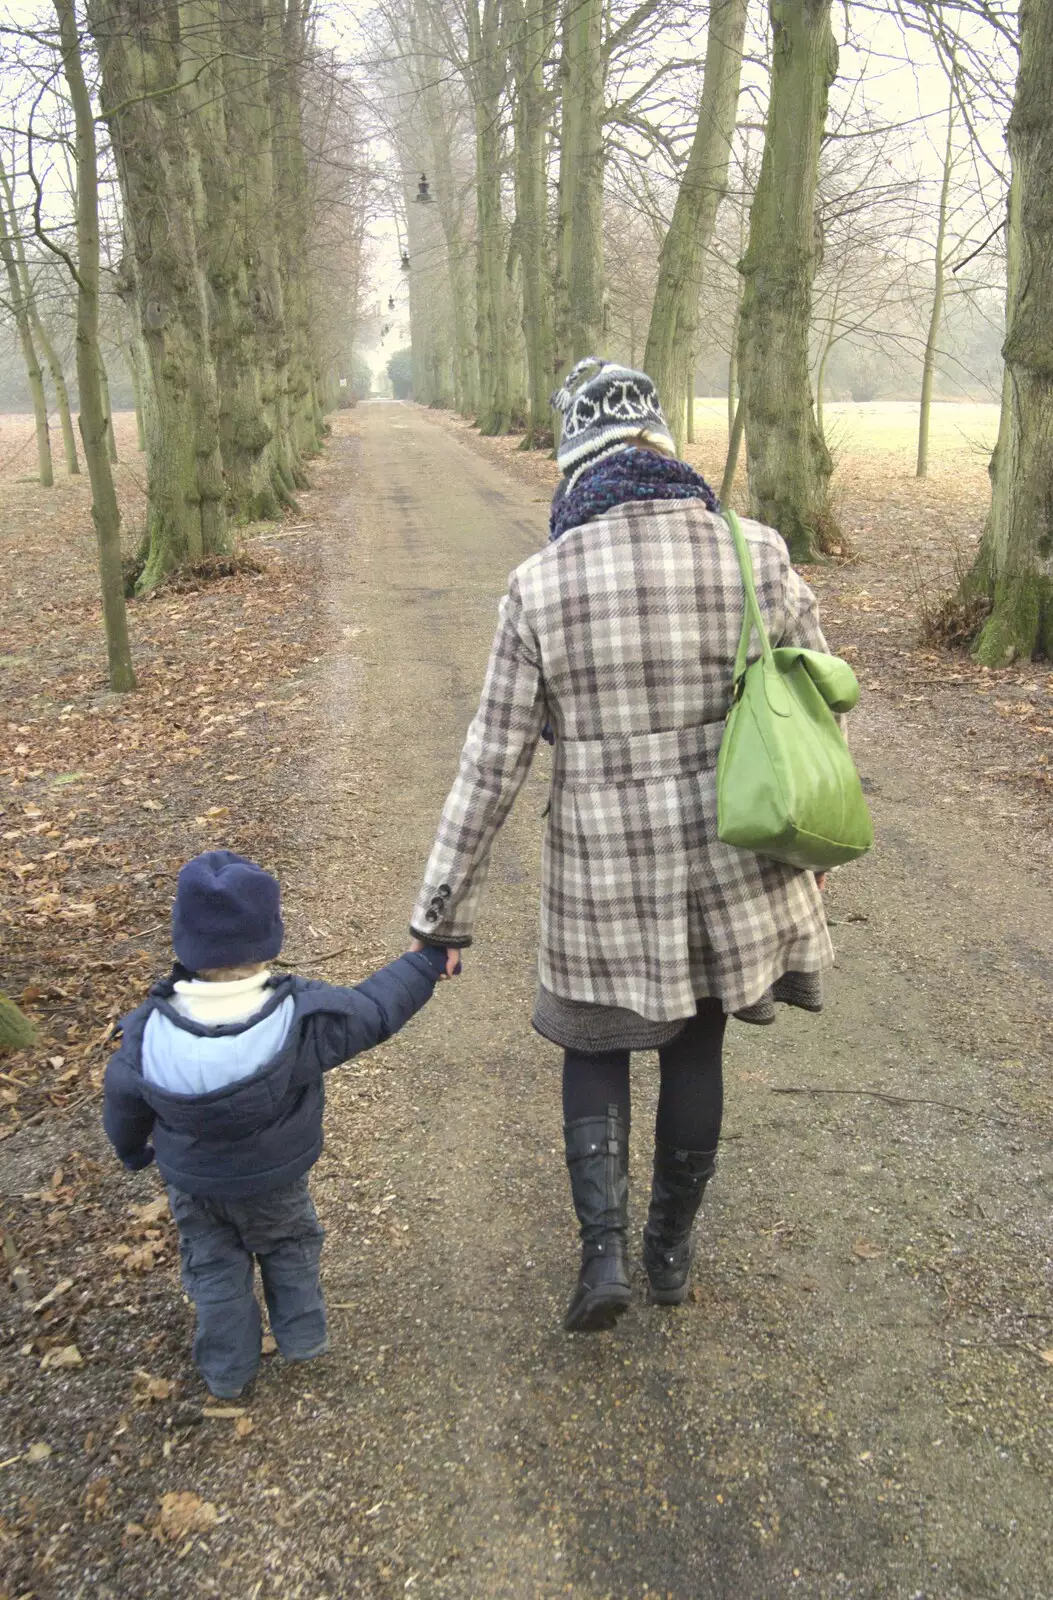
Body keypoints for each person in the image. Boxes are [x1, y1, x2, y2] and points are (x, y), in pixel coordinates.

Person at [411, 358, 842, 1334]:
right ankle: (671, 1250)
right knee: (697, 1045)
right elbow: (816, 704)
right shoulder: (754, 551)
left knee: (593, 1046)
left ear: (572, 461)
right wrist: (816, 842)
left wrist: (442, 903)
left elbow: (493, 759)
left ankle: (600, 1254)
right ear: (661, 442)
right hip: (728, 860)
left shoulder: (541, 582)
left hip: (601, 870)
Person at [103, 849, 453, 1397]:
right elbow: (374, 1009)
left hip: (195, 1186)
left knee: (214, 1271)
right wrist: (426, 961)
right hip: (276, 1181)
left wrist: (130, 1152)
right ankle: (303, 1336)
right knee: (290, 1247)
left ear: (184, 940)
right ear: (269, 935)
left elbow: (123, 1102)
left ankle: (227, 1371)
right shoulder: (297, 1017)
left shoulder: (148, 1030)